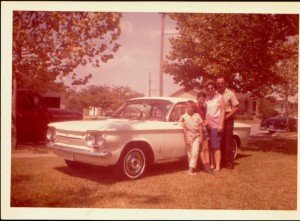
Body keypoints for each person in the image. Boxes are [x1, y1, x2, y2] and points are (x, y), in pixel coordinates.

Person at [216, 76, 239, 170]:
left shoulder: (230, 94)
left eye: (222, 83)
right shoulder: (215, 93)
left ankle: (229, 164)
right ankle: (221, 163)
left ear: (225, 83)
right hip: (218, 118)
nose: (220, 84)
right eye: (218, 83)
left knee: (228, 142)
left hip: (228, 118)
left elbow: (236, 107)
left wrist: (227, 117)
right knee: (219, 141)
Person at [204, 80, 225, 173]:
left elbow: (223, 111)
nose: (210, 89)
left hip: (216, 125)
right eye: (208, 88)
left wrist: (221, 124)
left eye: (212, 88)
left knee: (216, 147)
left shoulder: (220, 97)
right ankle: (212, 164)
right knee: (211, 147)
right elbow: (206, 110)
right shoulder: (207, 99)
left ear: (215, 88)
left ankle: (217, 166)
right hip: (208, 126)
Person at [179, 100, 203, 175]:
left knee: (195, 152)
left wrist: (201, 136)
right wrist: (186, 139)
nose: (191, 109)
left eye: (192, 107)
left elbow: (200, 126)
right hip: (189, 136)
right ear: (186, 108)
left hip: (196, 136)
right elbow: (184, 128)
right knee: (190, 153)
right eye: (189, 107)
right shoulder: (183, 117)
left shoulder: (197, 115)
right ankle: (192, 168)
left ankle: (190, 169)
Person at [195, 92, 211, 173]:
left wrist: (205, 121)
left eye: (203, 100)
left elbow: (204, 118)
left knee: (206, 147)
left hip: (204, 128)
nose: (202, 101)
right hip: (198, 129)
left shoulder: (204, 109)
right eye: (200, 99)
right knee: (201, 148)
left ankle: (208, 164)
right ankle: (205, 166)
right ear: (197, 99)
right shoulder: (194, 107)